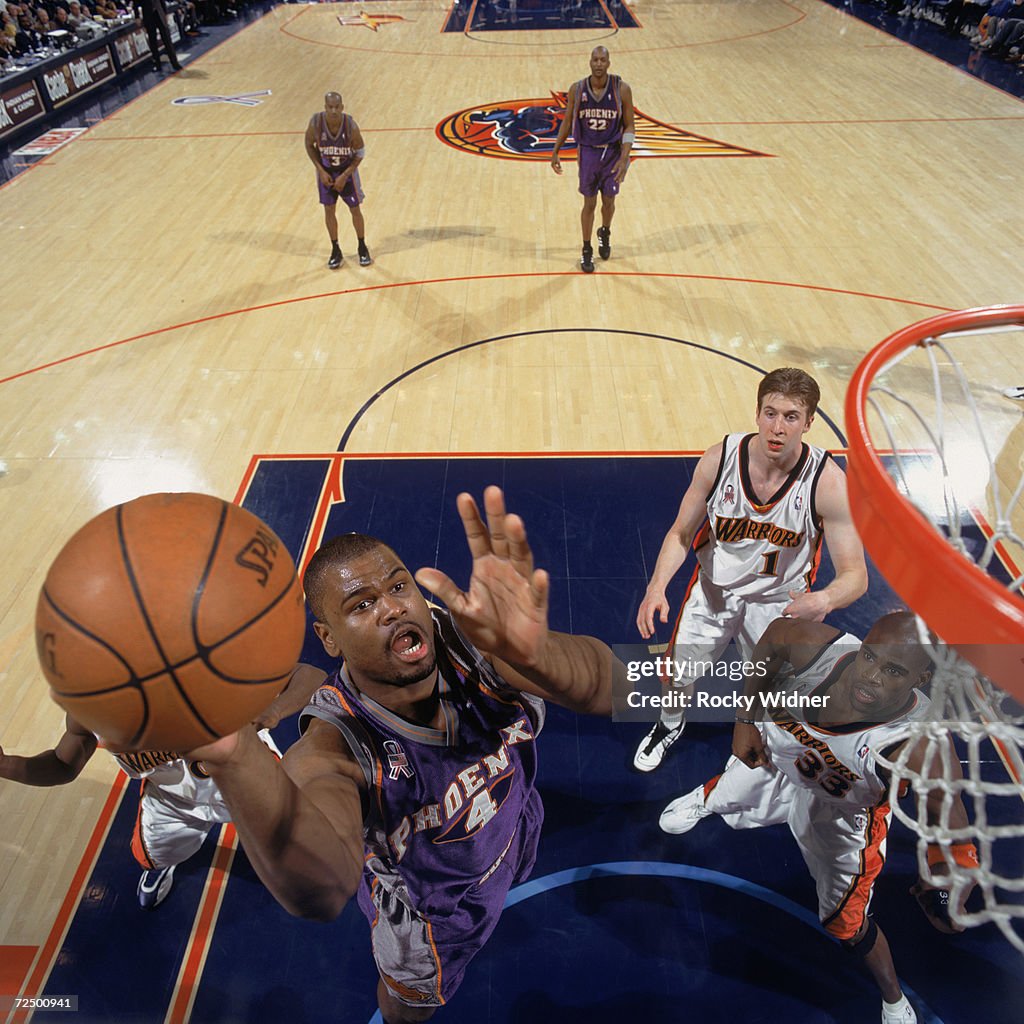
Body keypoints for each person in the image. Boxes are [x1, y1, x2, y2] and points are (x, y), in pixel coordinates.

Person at [187, 486, 625, 1023]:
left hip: (512, 830)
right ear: (327, 638)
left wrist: (539, 656)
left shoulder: (475, 642)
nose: (392, 607)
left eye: (398, 585)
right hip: (432, 917)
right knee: (408, 1006)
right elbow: (320, 889)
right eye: (362, 604)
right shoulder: (336, 743)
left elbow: (616, 687)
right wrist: (238, 758)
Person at [658, 612, 978, 1024]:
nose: (873, 677)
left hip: (842, 811)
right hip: (779, 757)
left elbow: (949, 817)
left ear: (920, 679)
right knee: (731, 790)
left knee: (846, 923)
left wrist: (948, 875)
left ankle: (893, 999)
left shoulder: (917, 743)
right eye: (870, 657)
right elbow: (772, 638)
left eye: (894, 670)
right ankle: (707, 797)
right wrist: (746, 718)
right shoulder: (817, 648)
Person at [633, 367, 868, 772]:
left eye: (791, 417)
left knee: (772, 689)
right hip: (714, 592)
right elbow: (680, 532)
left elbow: (856, 576)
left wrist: (824, 599)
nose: (778, 428)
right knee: (677, 675)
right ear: (757, 413)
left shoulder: (826, 483)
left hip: (778, 605)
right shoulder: (719, 458)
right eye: (770, 413)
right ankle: (668, 725)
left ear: (809, 422)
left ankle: (758, 737)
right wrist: (656, 588)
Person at [0, 664, 324, 909]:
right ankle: (164, 864)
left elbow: (308, 674)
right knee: (155, 851)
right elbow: (62, 765)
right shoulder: (88, 710)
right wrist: (8, 765)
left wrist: (270, 712)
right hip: (173, 798)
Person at [549, 46, 635, 274]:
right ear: (590, 62)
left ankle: (604, 232)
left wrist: (625, 157)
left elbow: (630, 125)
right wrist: (555, 150)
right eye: (595, 60)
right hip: (587, 152)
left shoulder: (622, 89)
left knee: (609, 201)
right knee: (589, 203)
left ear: (609, 62)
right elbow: (567, 122)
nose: (598, 63)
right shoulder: (577, 89)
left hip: (613, 154)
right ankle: (586, 248)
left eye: (602, 60)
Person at [304, 91, 372, 270]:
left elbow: (360, 153)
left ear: (342, 107)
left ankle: (362, 246)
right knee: (329, 210)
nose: (333, 110)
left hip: (346, 172)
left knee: (355, 209)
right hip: (326, 172)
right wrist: (320, 170)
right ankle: (335, 249)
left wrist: (345, 175)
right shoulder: (316, 123)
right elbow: (308, 145)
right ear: (325, 107)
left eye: (337, 107)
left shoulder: (350, 126)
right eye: (330, 107)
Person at [133, 0, 181, 73]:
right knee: (153, 42)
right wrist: (137, 16)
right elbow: (135, 3)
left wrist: (165, 13)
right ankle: (157, 64)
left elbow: (162, 1)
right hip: (148, 15)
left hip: (159, 13)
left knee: (167, 40)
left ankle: (175, 63)